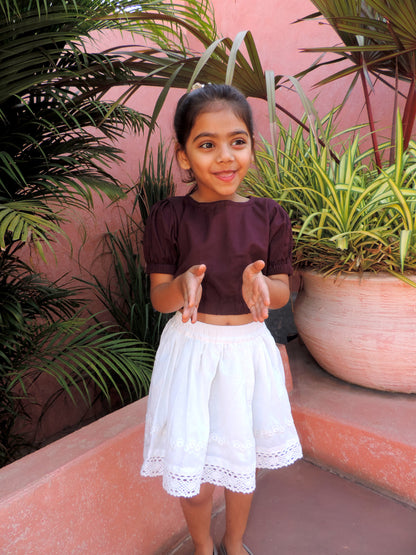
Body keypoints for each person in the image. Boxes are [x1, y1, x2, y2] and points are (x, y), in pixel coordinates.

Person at [140, 83, 302, 555]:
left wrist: (261, 287)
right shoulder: (169, 216)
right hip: (191, 353)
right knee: (193, 472)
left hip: (248, 355)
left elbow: (280, 289)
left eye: (237, 141)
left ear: (252, 145)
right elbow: (160, 299)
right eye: (207, 144)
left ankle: (234, 545)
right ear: (184, 155)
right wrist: (184, 282)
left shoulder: (270, 215)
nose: (225, 156)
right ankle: (202, 547)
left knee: (241, 461)